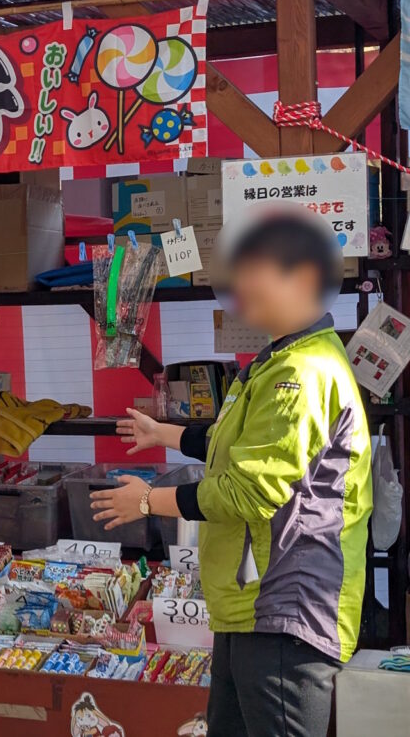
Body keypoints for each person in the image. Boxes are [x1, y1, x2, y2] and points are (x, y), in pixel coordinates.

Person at [90, 205, 372, 737]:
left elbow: (248, 490)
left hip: (286, 607)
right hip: (250, 606)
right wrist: (165, 434)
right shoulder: (279, 359)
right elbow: (236, 446)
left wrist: (149, 501)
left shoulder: (304, 372)